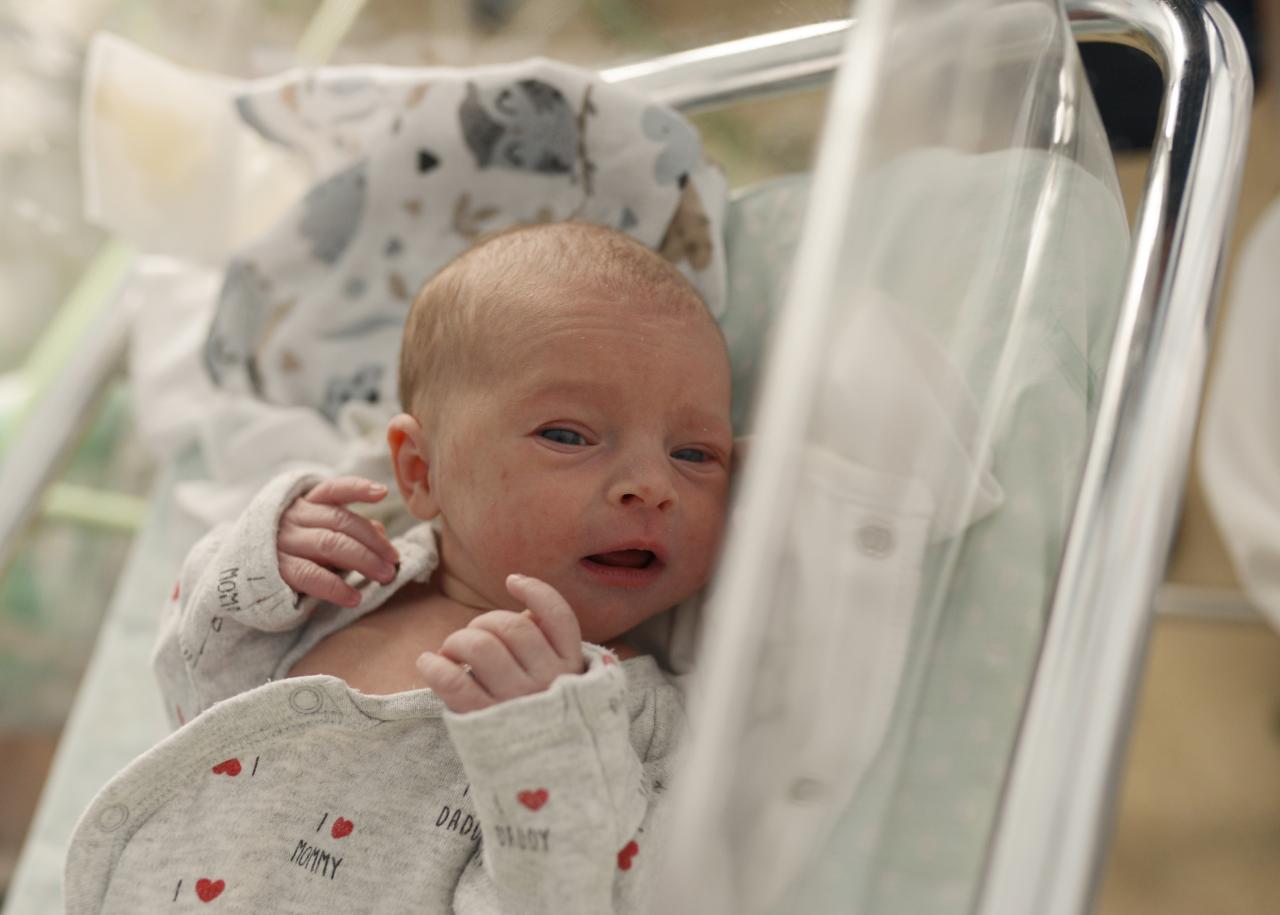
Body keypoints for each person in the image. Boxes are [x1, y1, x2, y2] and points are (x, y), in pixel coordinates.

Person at [64, 222, 734, 915]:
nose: (652, 485)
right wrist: (256, 561)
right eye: (568, 435)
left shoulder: (642, 725)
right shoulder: (344, 589)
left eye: (695, 453)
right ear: (421, 471)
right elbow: (192, 686)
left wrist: (544, 751)